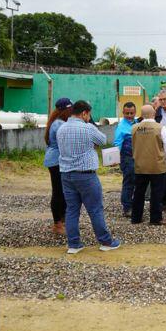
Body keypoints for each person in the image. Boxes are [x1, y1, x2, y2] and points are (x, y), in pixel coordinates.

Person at [54, 99, 121, 255]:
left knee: (71, 210)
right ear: (84, 113)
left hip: (66, 173)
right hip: (86, 174)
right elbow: (103, 140)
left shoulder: (61, 128)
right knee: (95, 209)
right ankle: (105, 241)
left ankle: (74, 244)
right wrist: (90, 124)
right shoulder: (88, 128)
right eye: (88, 114)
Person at [129, 103, 166, 226]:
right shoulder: (161, 128)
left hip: (140, 165)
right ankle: (155, 218)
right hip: (157, 166)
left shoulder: (134, 128)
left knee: (138, 193)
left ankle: (136, 217)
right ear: (153, 114)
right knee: (157, 193)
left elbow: (133, 145)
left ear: (141, 115)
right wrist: (164, 160)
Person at [43, 98, 72, 235]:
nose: (72, 112)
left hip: (54, 159)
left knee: (61, 191)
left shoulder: (56, 122)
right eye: (70, 109)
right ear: (65, 110)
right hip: (57, 161)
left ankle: (61, 222)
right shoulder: (60, 124)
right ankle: (58, 224)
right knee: (59, 192)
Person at [113, 101, 138, 217]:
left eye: (131, 113)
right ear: (123, 113)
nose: (129, 115)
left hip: (138, 157)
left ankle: (135, 204)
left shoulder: (138, 123)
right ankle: (127, 207)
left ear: (135, 112)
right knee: (129, 182)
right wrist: (114, 157)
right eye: (127, 113)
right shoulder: (121, 127)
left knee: (137, 182)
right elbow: (117, 143)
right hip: (127, 158)